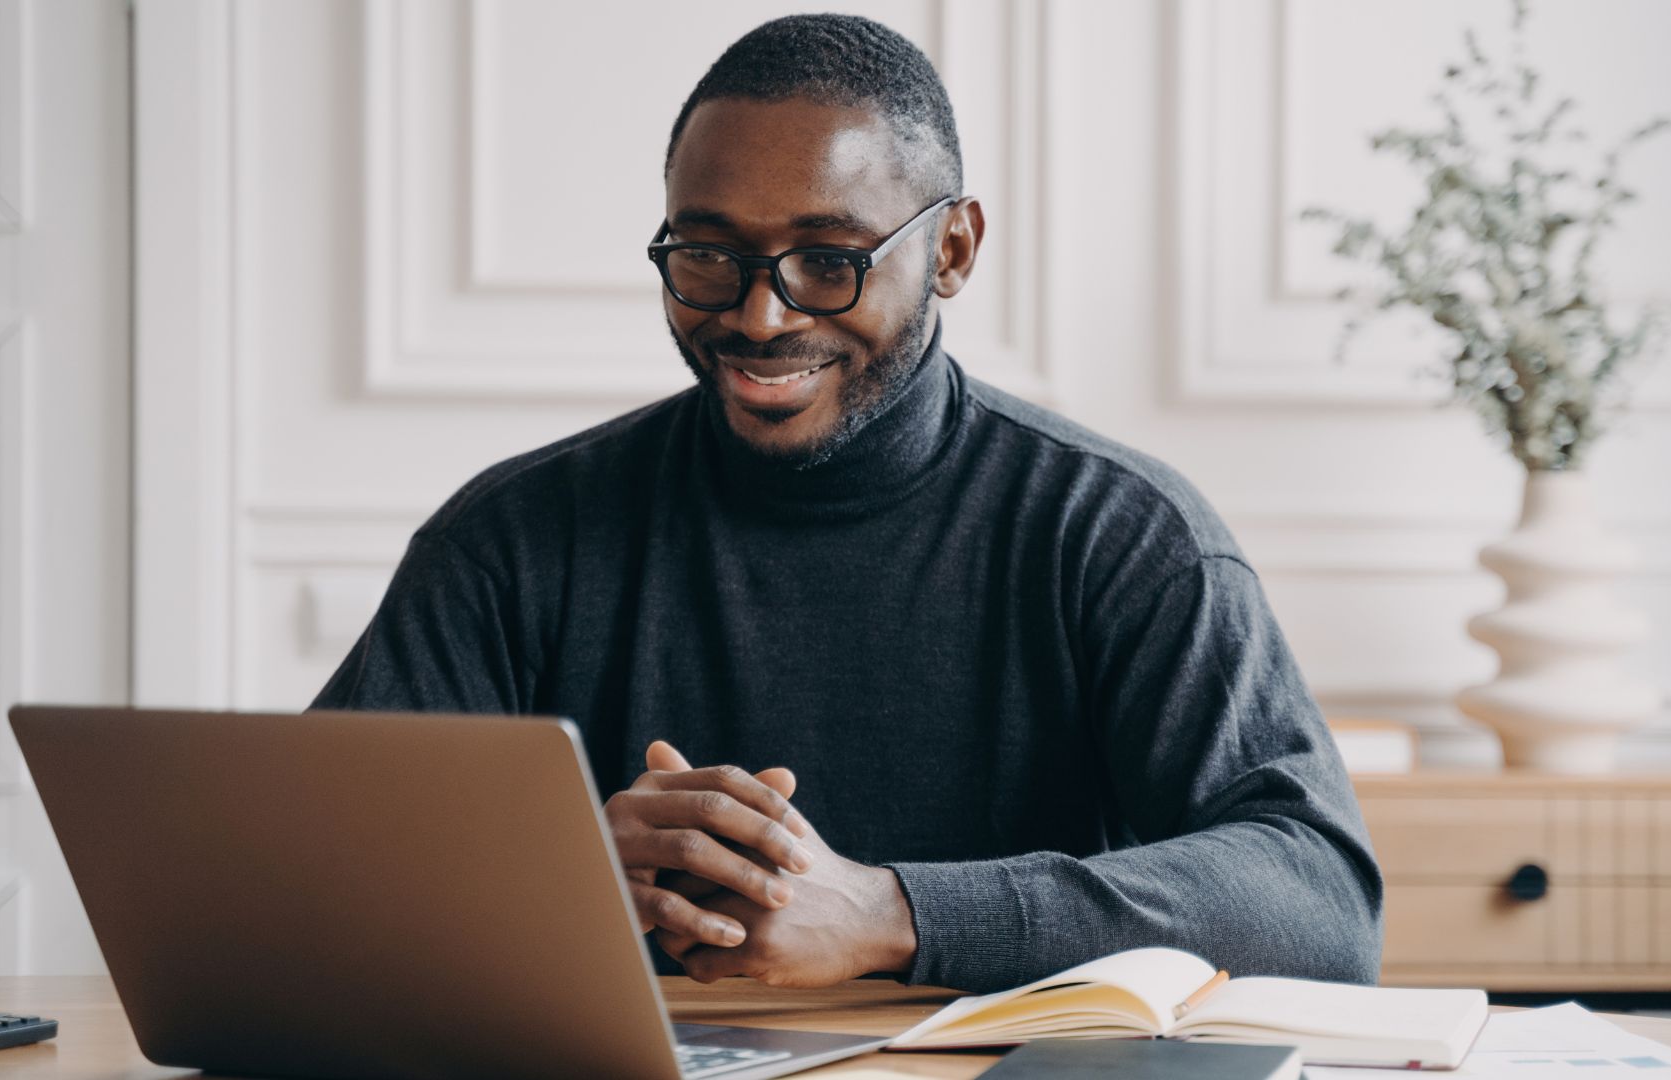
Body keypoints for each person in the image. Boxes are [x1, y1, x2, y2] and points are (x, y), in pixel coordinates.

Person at [313, 13, 1383, 994]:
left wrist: (894, 914)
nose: (761, 315)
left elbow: (1319, 904)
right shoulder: (510, 540)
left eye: (829, 261)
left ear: (952, 250)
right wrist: (555, 876)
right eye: (707, 255)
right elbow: (303, 881)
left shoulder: (1117, 533)